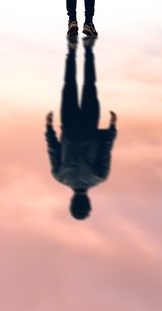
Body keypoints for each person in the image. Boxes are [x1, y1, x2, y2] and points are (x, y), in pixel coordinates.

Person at [45, 41, 117, 219]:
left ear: (88, 204)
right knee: (69, 84)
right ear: (71, 202)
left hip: (89, 124)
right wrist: (48, 128)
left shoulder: (100, 177)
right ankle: (71, 50)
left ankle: (88, 48)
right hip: (68, 124)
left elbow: (106, 150)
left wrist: (112, 127)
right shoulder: (59, 176)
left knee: (89, 84)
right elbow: (53, 148)